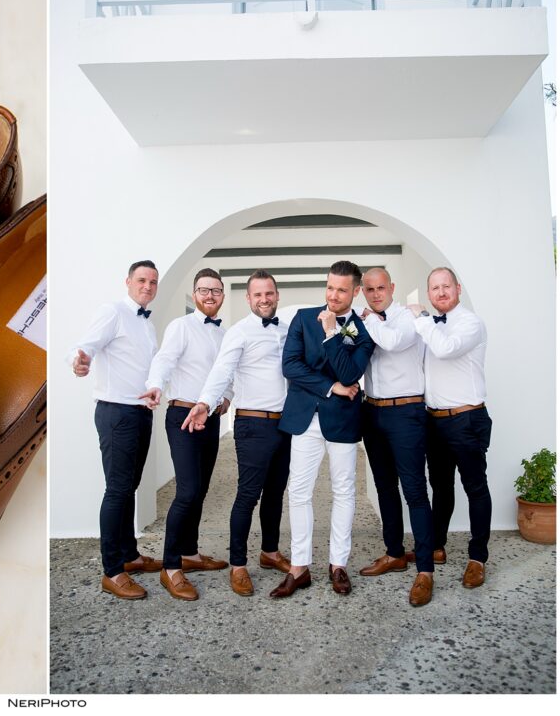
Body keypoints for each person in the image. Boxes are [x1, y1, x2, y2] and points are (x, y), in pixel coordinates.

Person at [181, 269, 292, 597]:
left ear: (276, 295)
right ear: (248, 298)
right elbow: (221, 370)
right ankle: (239, 565)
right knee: (248, 495)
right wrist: (205, 401)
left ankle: (270, 553)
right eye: (257, 294)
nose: (264, 299)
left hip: (285, 424)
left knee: (275, 493)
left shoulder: (287, 330)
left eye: (269, 293)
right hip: (252, 424)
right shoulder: (239, 332)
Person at [271, 260, 374, 599]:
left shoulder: (362, 329)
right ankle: (299, 567)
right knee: (299, 491)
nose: (333, 295)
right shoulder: (302, 318)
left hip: (342, 421)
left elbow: (350, 373)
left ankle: (338, 564)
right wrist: (332, 388)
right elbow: (291, 366)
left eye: (342, 290)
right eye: (330, 287)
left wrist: (333, 334)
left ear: (355, 292)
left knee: (343, 491)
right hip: (305, 418)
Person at [70, 260, 160, 600]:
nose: (147, 286)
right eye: (141, 280)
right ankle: (112, 570)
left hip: (141, 413)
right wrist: (78, 362)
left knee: (130, 487)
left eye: (153, 281)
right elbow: (83, 349)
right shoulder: (113, 311)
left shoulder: (146, 324)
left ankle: (130, 555)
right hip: (116, 413)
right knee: (118, 489)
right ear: (128, 282)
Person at [141, 269, 231, 601]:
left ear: (223, 296)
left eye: (216, 291)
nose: (210, 296)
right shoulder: (181, 326)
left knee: (201, 489)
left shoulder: (224, 336)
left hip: (211, 418)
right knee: (188, 491)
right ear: (195, 294)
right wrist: (154, 386)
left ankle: (189, 554)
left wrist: (226, 399)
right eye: (204, 290)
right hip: (182, 415)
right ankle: (170, 567)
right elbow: (164, 360)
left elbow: (227, 373)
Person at [407, 267, 491, 589]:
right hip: (434, 420)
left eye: (446, 286)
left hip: (467, 419)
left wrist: (422, 319)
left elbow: (445, 348)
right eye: (434, 288)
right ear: (429, 293)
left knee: (475, 488)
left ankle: (477, 558)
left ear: (457, 288)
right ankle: (437, 547)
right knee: (440, 488)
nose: (441, 292)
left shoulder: (469, 322)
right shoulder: (430, 327)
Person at [357, 267, 435, 607]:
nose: (375, 294)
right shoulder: (364, 320)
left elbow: (390, 340)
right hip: (372, 412)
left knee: (415, 490)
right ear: (363, 291)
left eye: (380, 288)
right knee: (385, 487)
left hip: (406, 412)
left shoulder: (407, 317)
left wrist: (366, 321)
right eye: (369, 289)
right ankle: (394, 553)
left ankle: (426, 571)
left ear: (392, 287)